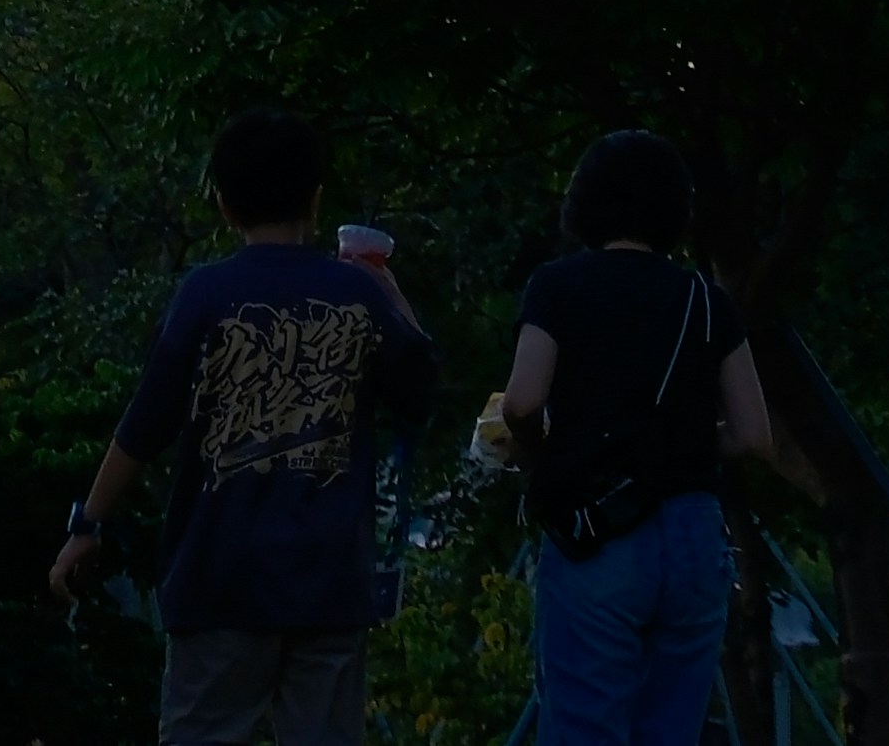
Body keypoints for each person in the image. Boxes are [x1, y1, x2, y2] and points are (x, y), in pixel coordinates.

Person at [51, 108, 437, 746]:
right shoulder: (356, 295)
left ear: (225, 206)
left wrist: (87, 525)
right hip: (330, 586)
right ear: (315, 199)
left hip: (219, 584)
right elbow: (418, 392)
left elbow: (146, 424)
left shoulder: (205, 293)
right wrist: (388, 290)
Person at [487, 130, 777, 746]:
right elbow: (755, 435)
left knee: (585, 728)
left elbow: (522, 399)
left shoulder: (558, 285)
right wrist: (691, 446)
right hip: (695, 538)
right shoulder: (705, 299)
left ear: (583, 202)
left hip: (601, 539)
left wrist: (533, 443)